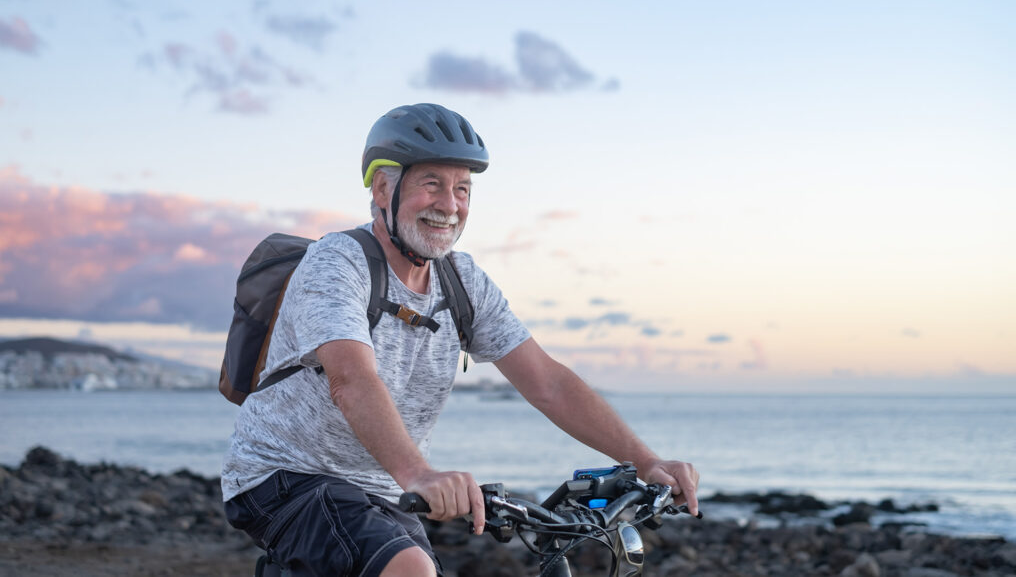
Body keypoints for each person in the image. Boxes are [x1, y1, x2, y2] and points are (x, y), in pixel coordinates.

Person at [221, 103, 699, 577]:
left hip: (384, 488)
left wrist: (645, 461)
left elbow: (547, 382)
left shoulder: (462, 282)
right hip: (285, 475)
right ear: (384, 187)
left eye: (462, 189)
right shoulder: (337, 263)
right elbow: (350, 378)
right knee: (409, 569)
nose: (449, 205)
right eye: (432, 184)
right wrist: (420, 475)